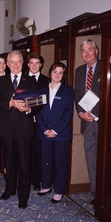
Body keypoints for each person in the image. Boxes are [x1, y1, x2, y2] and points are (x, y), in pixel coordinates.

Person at [0, 50, 42, 209]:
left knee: (24, 164)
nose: (15, 65)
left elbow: (39, 103)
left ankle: (23, 196)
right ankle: (9, 189)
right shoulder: (0, 81)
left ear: (23, 63)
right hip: (6, 128)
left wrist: (28, 110)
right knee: (8, 161)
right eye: (12, 62)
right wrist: (11, 104)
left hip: (24, 128)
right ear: (7, 64)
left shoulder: (31, 80)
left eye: (18, 62)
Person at [36, 62, 74, 203]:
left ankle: (59, 190)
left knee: (60, 163)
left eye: (60, 72)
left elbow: (67, 114)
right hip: (44, 133)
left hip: (61, 135)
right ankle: (46, 185)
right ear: (50, 72)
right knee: (45, 161)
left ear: (63, 75)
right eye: (55, 71)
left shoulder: (68, 91)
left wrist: (56, 130)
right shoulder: (42, 90)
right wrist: (45, 129)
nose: (57, 75)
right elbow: (38, 112)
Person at [74, 39, 100, 204]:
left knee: (107, 159)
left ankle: (108, 193)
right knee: (91, 158)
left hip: (104, 121)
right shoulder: (79, 71)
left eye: (90, 50)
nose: (87, 54)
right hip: (87, 121)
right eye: (83, 51)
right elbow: (77, 94)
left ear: (96, 51)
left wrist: (95, 114)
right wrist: (81, 113)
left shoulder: (108, 68)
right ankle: (96, 193)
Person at [26, 52, 49, 191]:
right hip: (25, 120)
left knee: (39, 151)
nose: (34, 66)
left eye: (37, 63)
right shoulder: (21, 79)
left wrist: (37, 114)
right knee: (25, 151)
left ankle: (36, 179)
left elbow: (45, 102)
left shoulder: (47, 80)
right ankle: (25, 177)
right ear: (28, 65)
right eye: (32, 63)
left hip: (40, 121)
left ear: (40, 65)